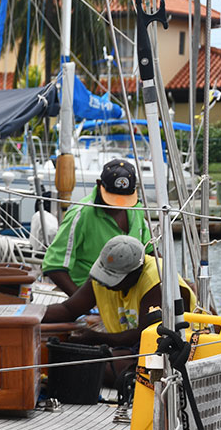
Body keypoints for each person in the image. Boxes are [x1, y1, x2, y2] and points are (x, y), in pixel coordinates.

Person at [43, 235, 196, 384]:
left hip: (173, 350)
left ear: (134, 274)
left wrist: (96, 338)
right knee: (73, 362)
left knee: (96, 369)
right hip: (129, 346)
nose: (103, 283)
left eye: (112, 279)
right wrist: (28, 313)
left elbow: (144, 336)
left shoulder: (156, 280)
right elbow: (68, 309)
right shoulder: (103, 276)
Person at [41, 159, 153, 295]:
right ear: (99, 184)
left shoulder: (136, 209)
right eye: (112, 200)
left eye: (123, 201)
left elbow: (150, 251)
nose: (117, 207)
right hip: (91, 292)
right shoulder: (81, 214)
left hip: (130, 294)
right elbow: (53, 265)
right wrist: (82, 304)